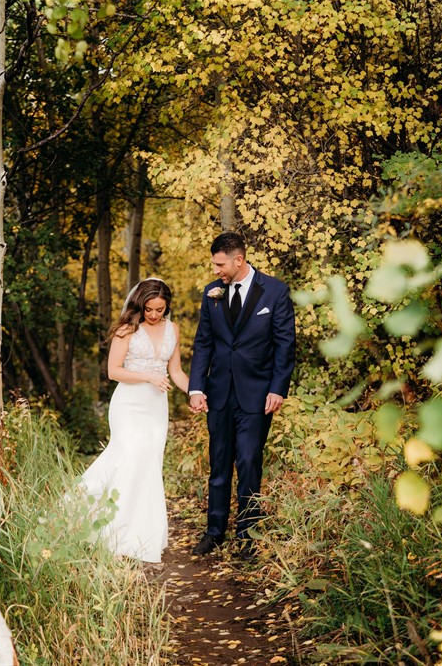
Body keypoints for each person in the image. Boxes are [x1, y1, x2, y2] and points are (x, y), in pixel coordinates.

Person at [188, 232, 296, 560]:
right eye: (214, 264)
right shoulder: (212, 293)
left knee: (249, 461)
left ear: (239, 259)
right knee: (219, 463)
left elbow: (285, 344)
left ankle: (248, 536)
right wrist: (196, 387)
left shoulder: (274, 291)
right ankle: (215, 532)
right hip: (219, 393)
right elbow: (204, 342)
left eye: (221, 264)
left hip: (257, 394)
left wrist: (278, 387)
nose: (216, 270)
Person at [79, 278, 190, 563]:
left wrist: (197, 393)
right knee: (129, 455)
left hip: (156, 407)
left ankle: (141, 534)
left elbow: (175, 372)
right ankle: (110, 532)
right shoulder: (127, 330)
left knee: (148, 465)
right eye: (149, 309)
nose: (154, 315)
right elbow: (113, 371)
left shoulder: (172, 330)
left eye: (160, 310)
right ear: (139, 305)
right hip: (128, 404)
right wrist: (149, 376)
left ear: (167, 307)